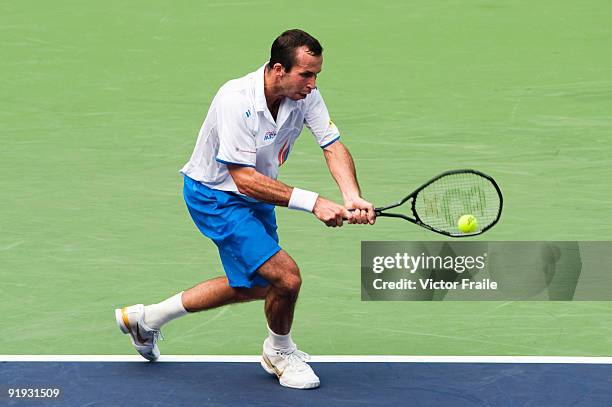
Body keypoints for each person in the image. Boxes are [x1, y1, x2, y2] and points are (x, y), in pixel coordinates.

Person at [114, 29, 375, 390]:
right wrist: (314, 202)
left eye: (316, 75)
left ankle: (147, 319)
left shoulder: (305, 96)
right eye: (306, 74)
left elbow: (332, 145)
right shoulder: (235, 99)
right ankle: (279, 351)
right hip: (216, 196)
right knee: (286, 277)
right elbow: (243, 180)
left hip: (259, 194)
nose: (313, 84)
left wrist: (351, 196)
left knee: (259, 285)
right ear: (279, 69)